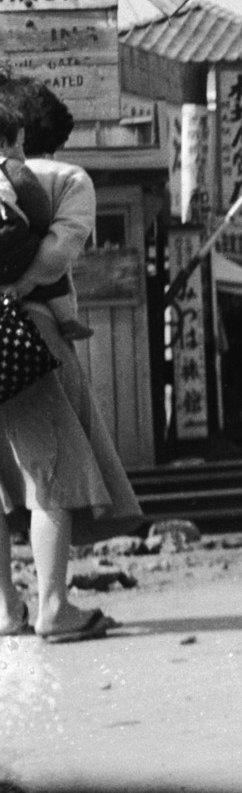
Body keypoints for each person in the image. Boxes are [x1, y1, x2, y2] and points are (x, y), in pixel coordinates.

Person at [0, 77, 140, 643]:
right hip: (19, 334)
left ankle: (6, 610)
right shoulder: (62, 179)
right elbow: (55, 257)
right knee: (51, 470)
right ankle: (54, 606)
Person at [0, 97, 92, 341]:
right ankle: (67, 320)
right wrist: (23, 285)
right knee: (43, 246)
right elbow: (57, 251)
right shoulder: (70, 176)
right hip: (33, 323)